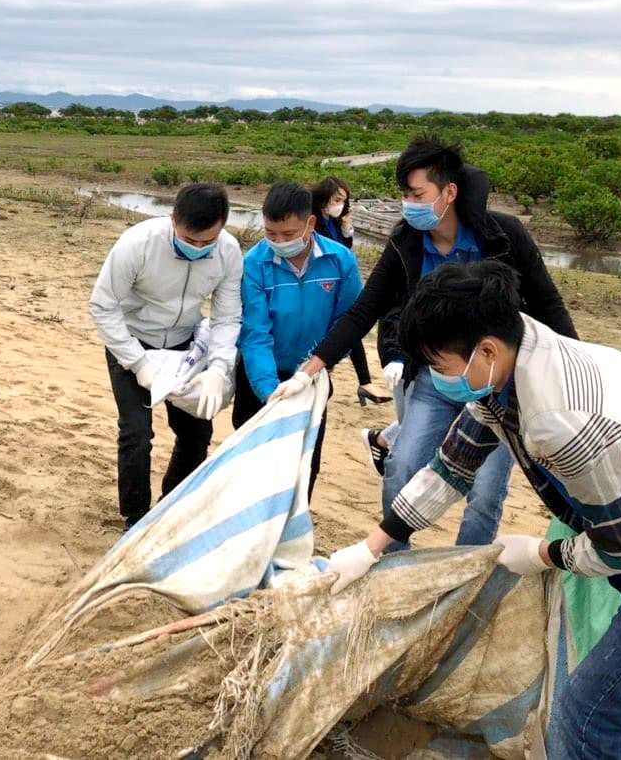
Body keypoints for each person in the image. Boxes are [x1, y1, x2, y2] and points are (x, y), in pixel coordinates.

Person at [324, 261, 621, 760]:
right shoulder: (514, 350)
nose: (440, 379)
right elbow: (452, 466)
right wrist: (371, 547)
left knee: (589, 718)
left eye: (439, 366)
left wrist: (542, 554)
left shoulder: (559, 420)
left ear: (484, 350)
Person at [274, 136, 578, 549]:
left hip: (498, 386)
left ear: (449, 191)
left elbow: (548, 304)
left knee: (486, 494)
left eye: (417, 193)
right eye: (404, 194)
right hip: (437, 380)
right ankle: (393, 562)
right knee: (401, 468)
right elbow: (365, 309)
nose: (408, 203)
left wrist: (573, 367)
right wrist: (311, 369)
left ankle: (463, 573)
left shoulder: (503, 237)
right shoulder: (407, 242)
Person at [90, 183, 243, 529]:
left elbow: (227, 316)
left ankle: (170, 509)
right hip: (131, 342)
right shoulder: (138, 244)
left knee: (196, 433)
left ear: (222, 227)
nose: (199, 248)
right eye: (190, 241)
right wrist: (138, 363)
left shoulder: (229, 253)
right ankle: (136, 518)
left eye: (208, 242)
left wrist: (218, 369)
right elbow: (103, 306)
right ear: (173, 220)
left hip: (184, 346)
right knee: (136, 432)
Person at [235, 183, 363, 498]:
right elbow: (255, 332)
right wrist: (269, 393)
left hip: (312, 377)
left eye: (288, 235)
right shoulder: (255, 263)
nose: (278, 242)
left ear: (310, 224)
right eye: (270, 233)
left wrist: (314, 369)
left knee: (304, 462)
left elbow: (347, 323)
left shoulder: (340, 261)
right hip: (260, 378)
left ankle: (291, 532)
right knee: (252, 460)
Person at [310, 176, 377, 400]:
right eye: (337, 199)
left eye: (343, 200)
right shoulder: (313, 221)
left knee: (350, 324)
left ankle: (365, 381)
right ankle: (363, 381)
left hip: (340, 280)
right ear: (325, 197)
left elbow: (343, 251)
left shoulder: (334, 221)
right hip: (322, 282)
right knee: (344, 326)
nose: (340, 204)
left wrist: (348, 232)